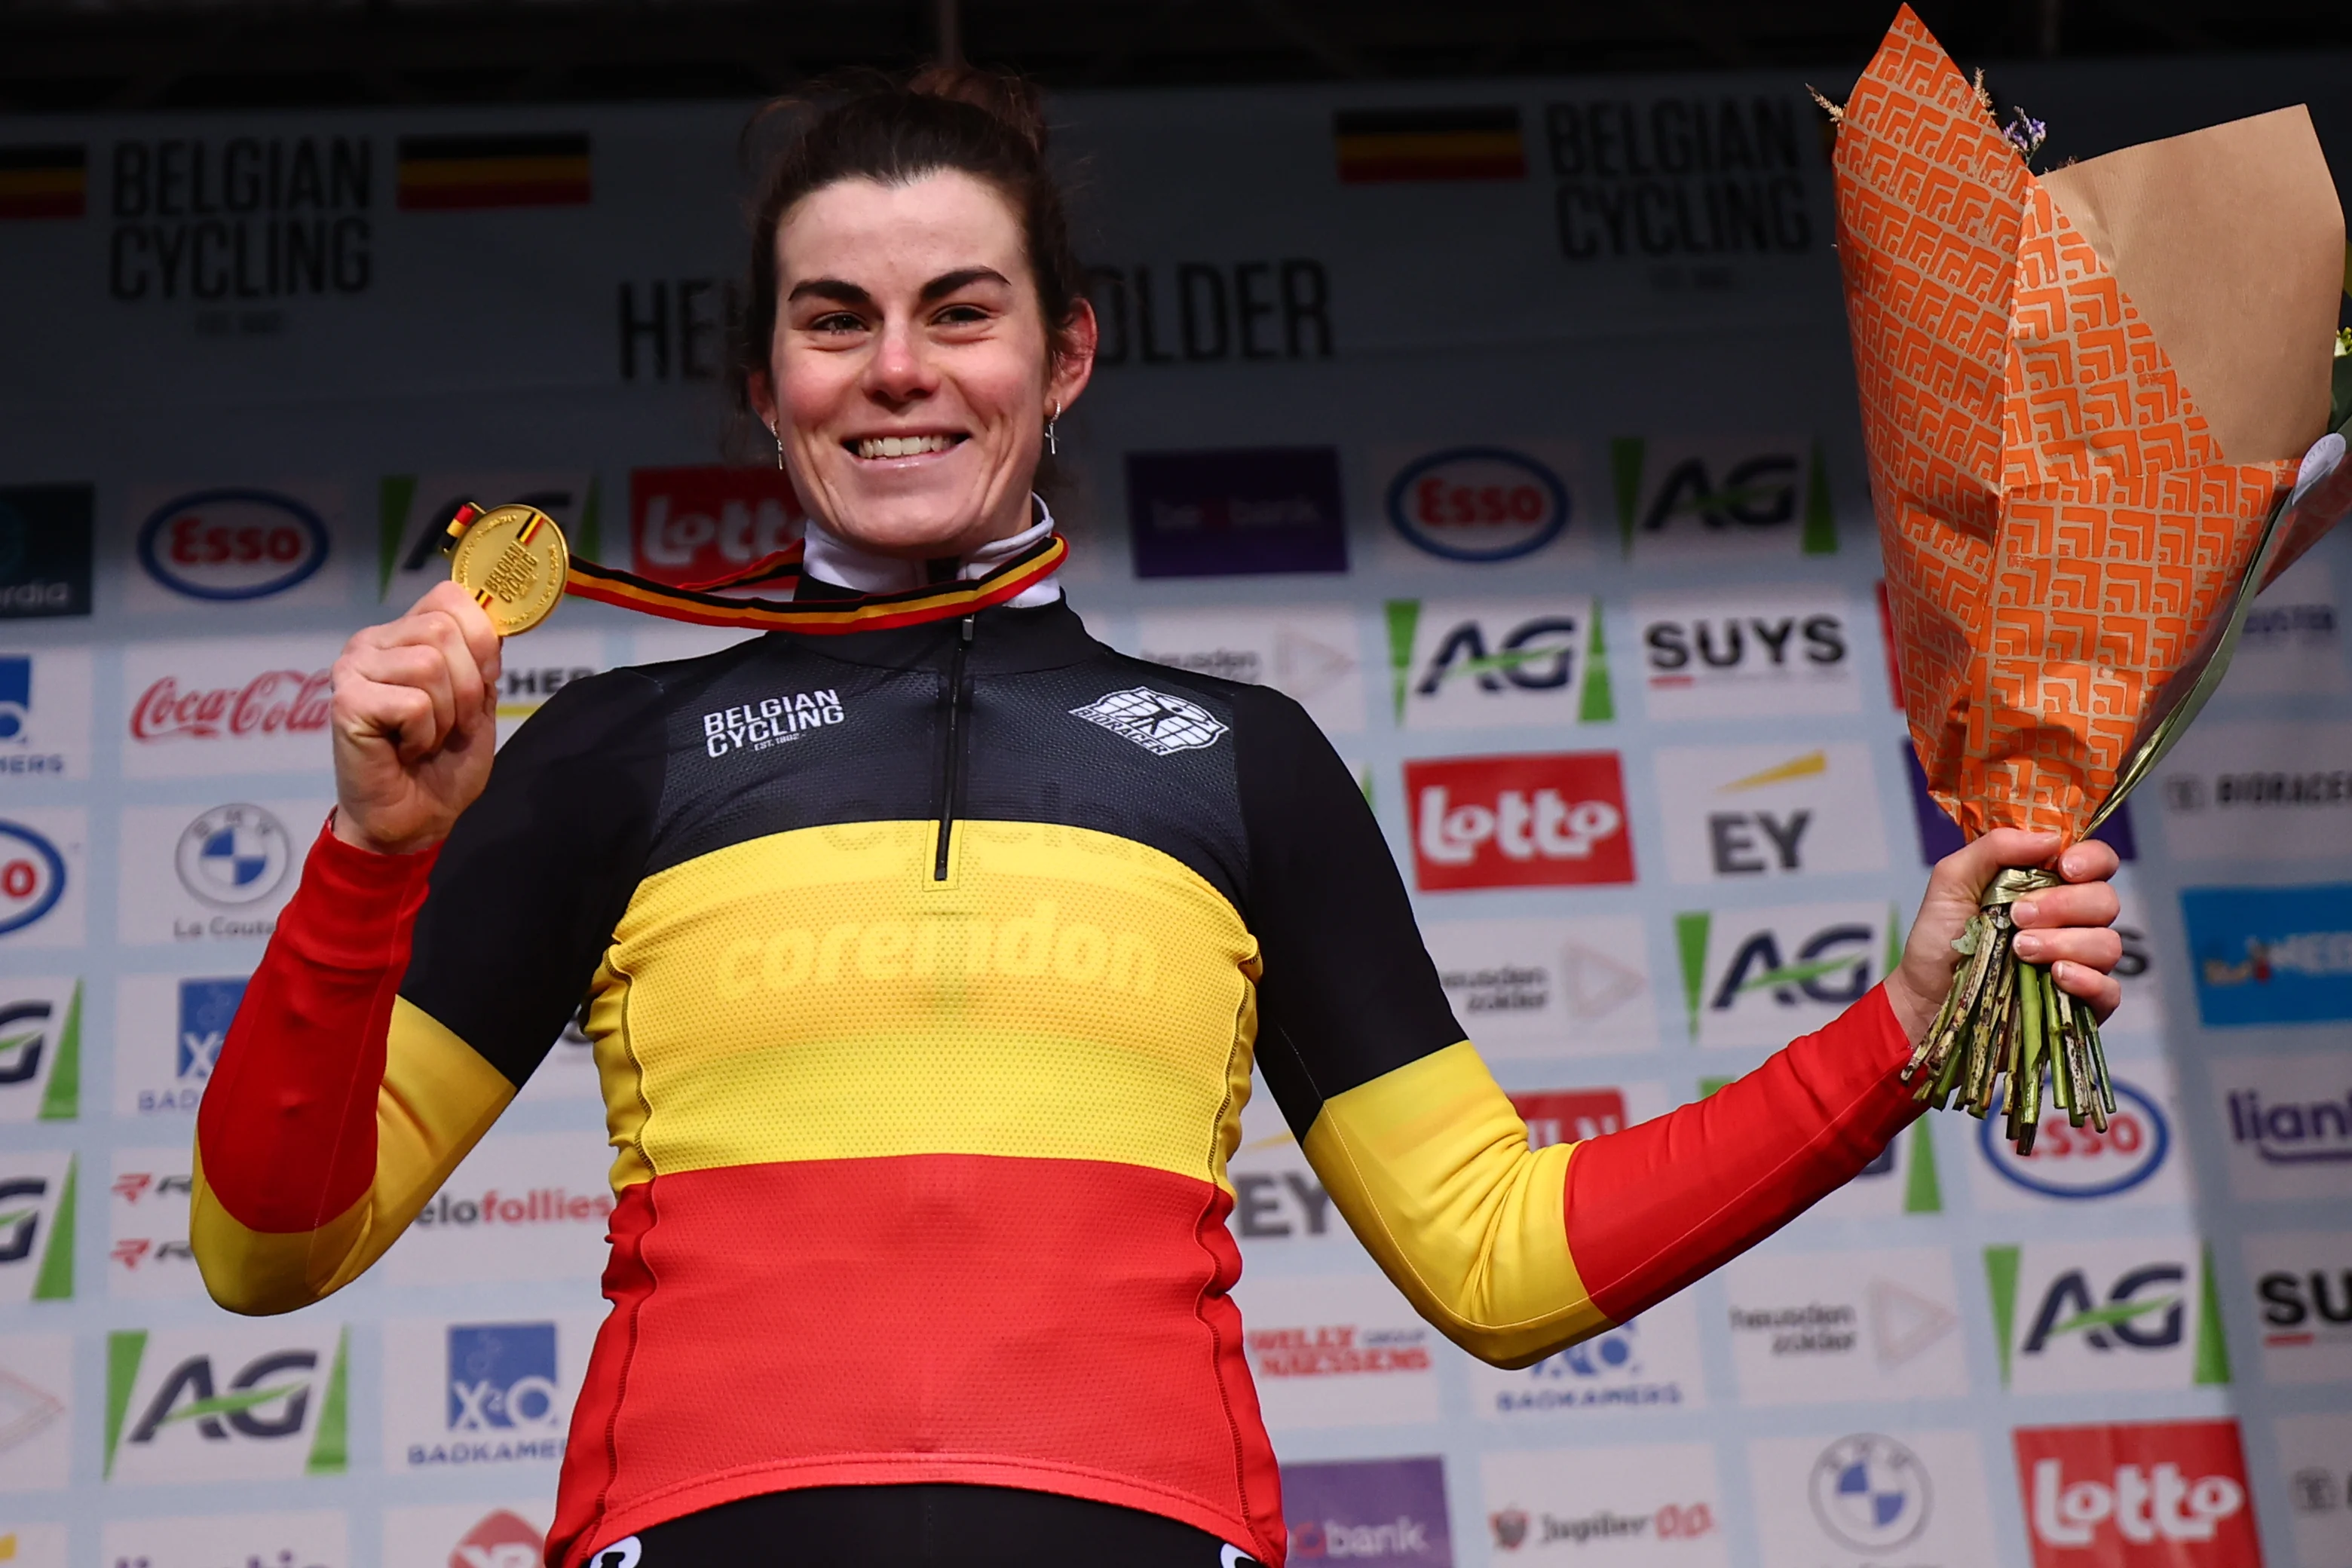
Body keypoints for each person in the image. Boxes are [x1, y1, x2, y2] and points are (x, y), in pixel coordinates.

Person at [188, 68, 2126, 1568]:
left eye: (961, 309)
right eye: (834, 319)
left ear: (1068, 353)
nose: (898, 370)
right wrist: (375, 857)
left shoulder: (1236, 758)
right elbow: (268, 1251)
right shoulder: (616, 748)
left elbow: (1499, 1258)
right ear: (762, 382)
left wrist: (1900, 1033)